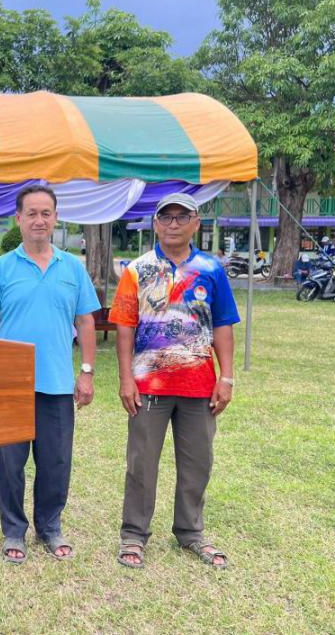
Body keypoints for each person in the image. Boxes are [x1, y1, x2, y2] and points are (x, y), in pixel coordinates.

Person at [109, 193, 239, 571]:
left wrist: (227, 377)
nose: (173, 224)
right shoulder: (137, 270)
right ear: (155, 224)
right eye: (166, 217)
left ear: (196, 223)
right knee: (141, 464)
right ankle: (134, 534)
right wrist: (126, 379)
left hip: (199, 386)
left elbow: (223, 326)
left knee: (198, 463)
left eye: (182, 217)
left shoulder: (211, 269)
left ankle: (190, 531)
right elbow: (124, 328)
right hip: (148, 386)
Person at [0, 185, 100, 563]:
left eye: (46, 213)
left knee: (56, 462)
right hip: (10, 386)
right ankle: (13, 530)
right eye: (31, 213)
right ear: (18, 219)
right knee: (9, 465)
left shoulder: (72, 267)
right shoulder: (2, 267)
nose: (39, 220)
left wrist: (86, 372)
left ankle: (50, 526)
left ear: (56, 218)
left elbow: (86, 321)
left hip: (57, 384)